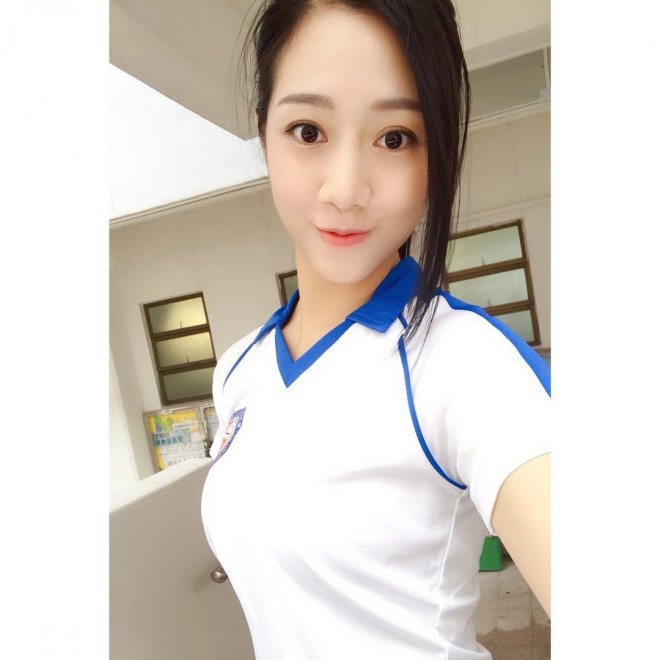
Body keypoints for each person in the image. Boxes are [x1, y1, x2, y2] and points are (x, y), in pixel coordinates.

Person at [201, 1, 550, 658]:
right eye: (308, 130)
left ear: (435, 154)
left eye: (394, 138)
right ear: (264, 133)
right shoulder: (238, 368)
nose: (345, 189)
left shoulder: (459, 360)